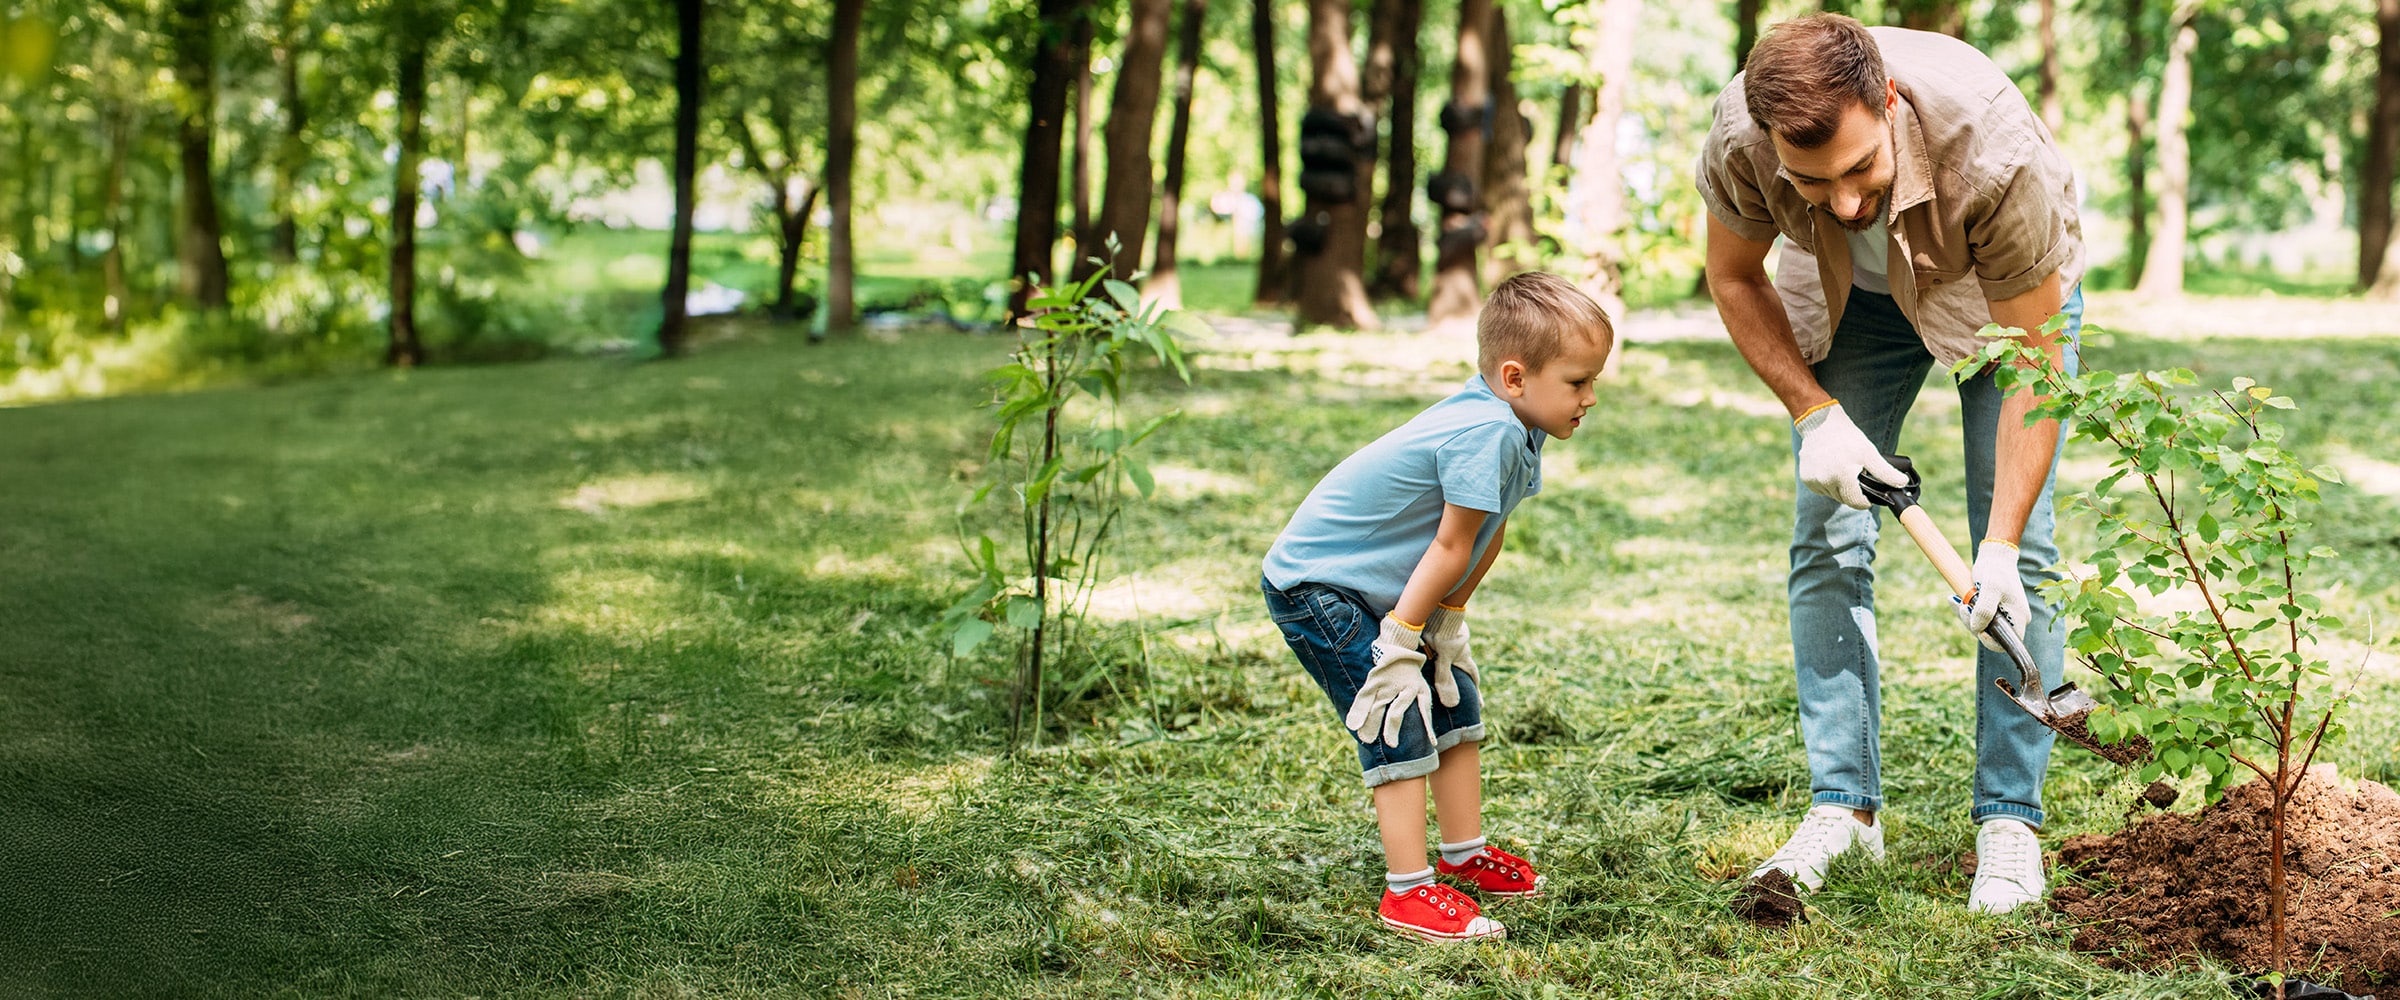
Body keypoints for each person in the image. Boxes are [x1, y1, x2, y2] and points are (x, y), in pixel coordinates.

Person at [1692, 13, 2086, 914]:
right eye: (1811, 179)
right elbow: (1734, 276)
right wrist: (1814, 414)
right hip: (1849, 296)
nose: (1841, 202)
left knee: (2018, 556)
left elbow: (2034, 358)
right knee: (1827, 536)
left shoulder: (1992, 147)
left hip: (1988, 289)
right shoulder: (1740, 138)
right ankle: (1846, 809)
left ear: (1892, 105)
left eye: (1860, 169)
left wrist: (1996, 544)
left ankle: (2009, 819)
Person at [1261, 272, 1615, 942]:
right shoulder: (1489, 431)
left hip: (1391, 591)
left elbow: (1490, 528)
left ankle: (1463, 853)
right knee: (1396, 715)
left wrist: (1447, 621)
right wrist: (1400, 643)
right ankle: (1407, 894)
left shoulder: (1519, 425)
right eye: (1577, 381)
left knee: (1455, 698)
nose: (1590, 398)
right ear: (1516, 377)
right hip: (1318, 587)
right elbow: (1451, 543)